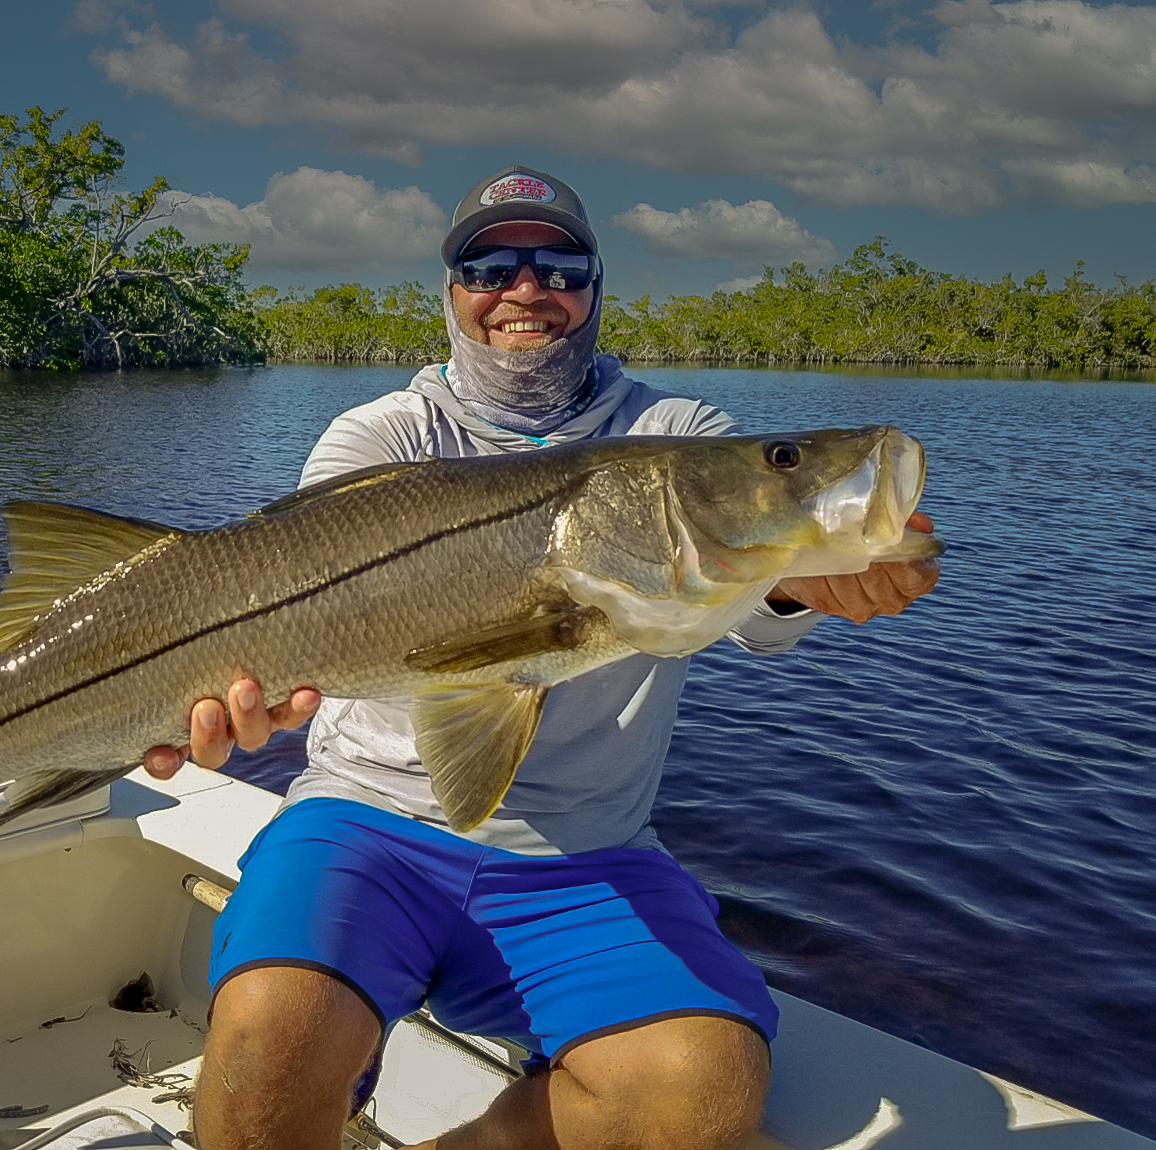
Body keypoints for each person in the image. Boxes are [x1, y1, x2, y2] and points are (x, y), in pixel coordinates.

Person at [142, 166, 940, 1150]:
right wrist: (230, 700)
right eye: (489, 265)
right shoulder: (383, 436)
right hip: (363, 820)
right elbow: (304, 611)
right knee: (267, 1035)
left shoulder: (674, 437)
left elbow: (754, 592)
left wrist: (805, 571)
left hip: (586, 853)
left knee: (701, 1092)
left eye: (558, 265)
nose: (525, 289)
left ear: (595, 289)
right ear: (453, 294)